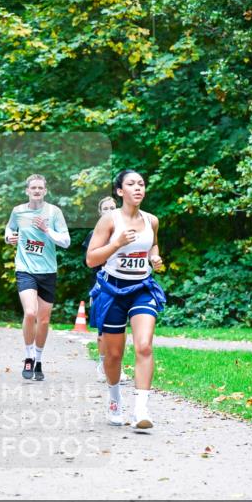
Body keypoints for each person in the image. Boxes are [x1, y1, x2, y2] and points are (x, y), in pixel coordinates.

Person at [85, 170, 166, 429]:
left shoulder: (151, 220)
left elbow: (152, 245)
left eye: (141, 183)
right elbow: (91, 259)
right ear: (120, 191)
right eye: (131, 184)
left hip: (142, 287)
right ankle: (114, 400)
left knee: (144, 346)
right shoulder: (109, 221)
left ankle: (141, 409)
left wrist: (155, 258)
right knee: (113, 355)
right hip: (112, 289)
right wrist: (117, 243)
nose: (138, 188)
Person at [4, 174, 71, 380]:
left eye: (40, 188)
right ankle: (28, 357)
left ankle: (39, 360)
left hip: (48, 271)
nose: (36, 191)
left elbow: (66, 241)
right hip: (25, 269)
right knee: (30, 313)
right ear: (27, 191)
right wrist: (8, 237)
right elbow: (9, 228)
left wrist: (47, 230)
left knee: (43, 320)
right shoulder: (18, 211)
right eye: (33, 188)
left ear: (45, 190)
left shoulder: (54, 212)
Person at [83, 195, 126, 383]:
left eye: (112, 208)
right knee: (102, 331)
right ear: (100, 213)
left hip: (122, 286)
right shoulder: (94, 235)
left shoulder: (124, 233)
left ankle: (117, 367)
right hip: (102, 286)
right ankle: (103, 366)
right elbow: (90, 262)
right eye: (105, 209)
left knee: (119, 330)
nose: (109, 211)